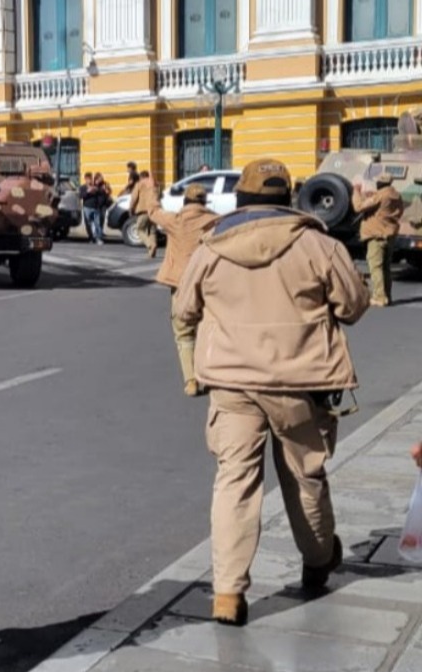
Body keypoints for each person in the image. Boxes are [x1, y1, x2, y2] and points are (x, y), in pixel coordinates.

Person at [174, 158, 370, 627]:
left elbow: (184, 308)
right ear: (288, 198)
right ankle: (319, 561)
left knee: (235, 481)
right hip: (300, 383)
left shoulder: (212, 247)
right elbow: (354, 305)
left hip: (232, 385)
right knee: (306, 477)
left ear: (241, 199)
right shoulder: (317, 244)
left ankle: (227, 593)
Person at [149, 183, 218, 396]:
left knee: (183, 332)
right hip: (209, 284)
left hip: (181, 284)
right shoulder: (216, 222)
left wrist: (152, 190)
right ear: (204, 202)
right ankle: (210, 375)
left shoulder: (175, 221)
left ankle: (191, 381)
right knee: (208, 329)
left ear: (185, 202)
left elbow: (152, 211)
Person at [353, 172, 402, 307]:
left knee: (376, 267)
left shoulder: (381, 195)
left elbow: (358, 207)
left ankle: (379, 297)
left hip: (377, 235)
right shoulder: (396, 195)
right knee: (386, 267)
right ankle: (387, 296)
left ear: (380, 183)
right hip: (390, 234)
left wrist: (356, 191)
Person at [130, 170, 161, 258]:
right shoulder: (156, 184)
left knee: (140, 230)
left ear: (141, 177)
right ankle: (152, 252)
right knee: (152, 231)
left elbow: (134, 198)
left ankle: (150, 244)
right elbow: (160, 196)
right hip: (154, 210)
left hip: (143, 211)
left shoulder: (139, 184)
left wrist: (131, 208)